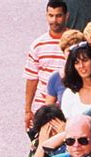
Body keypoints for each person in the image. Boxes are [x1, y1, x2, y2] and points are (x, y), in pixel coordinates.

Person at [24, 1, 68, 130]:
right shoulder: (37, 45)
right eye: (51, 15)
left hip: (66, 108)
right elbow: (32, 79)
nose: (54, 20)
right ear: (46, 16)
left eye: (59, 16)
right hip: (41, 108)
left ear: (67, 16)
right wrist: (28, 110)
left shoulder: (74, 42)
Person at [45, 29, 86, 106]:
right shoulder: (55, 77)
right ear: (63, 52)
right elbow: (48, 108)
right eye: (69, 51)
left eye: (76, 51)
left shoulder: (88, 74)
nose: (72, 55)